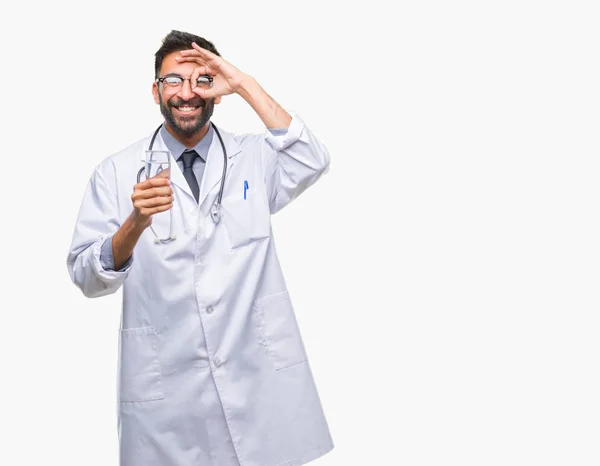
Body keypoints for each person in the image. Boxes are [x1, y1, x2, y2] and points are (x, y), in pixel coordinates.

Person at [66, 30, 333, 466]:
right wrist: (135, 224)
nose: (187, 94)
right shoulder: (115, 172)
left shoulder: (253, 157)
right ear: (155, 91)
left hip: (256, 380)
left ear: (218, 90)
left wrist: (245, 83)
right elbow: (86, 276)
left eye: (201, 80)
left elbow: (311, 158)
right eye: (173, 81)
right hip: (169, 395)